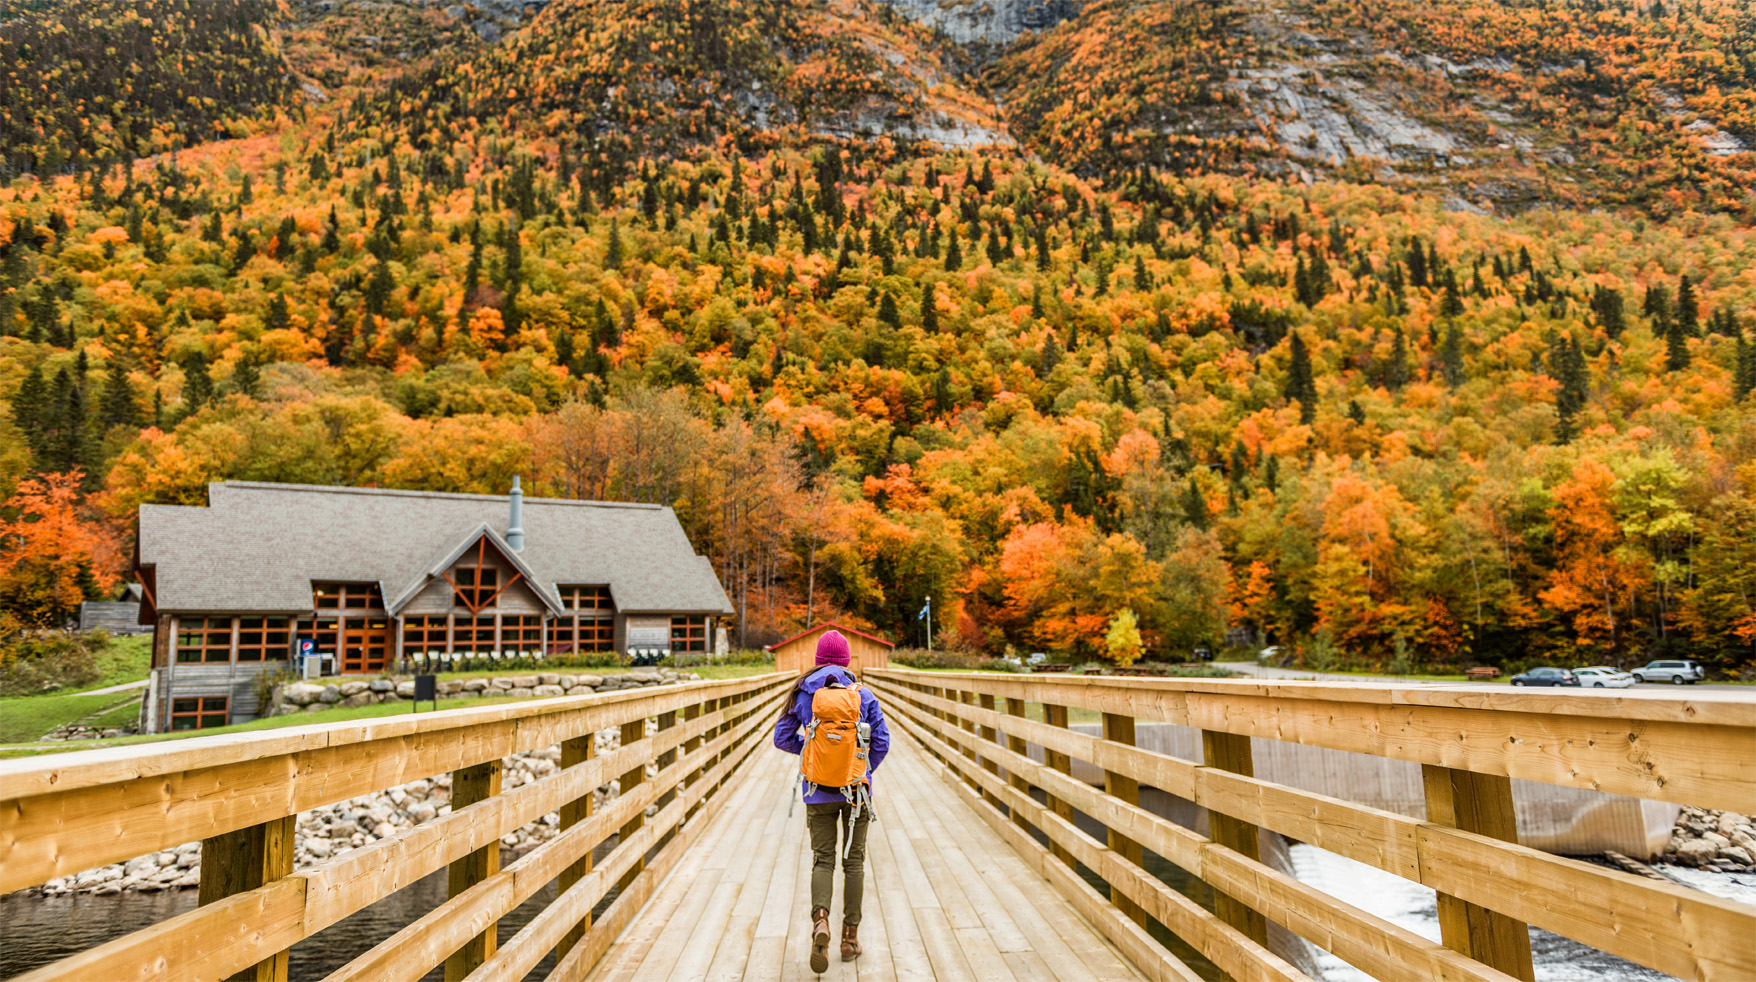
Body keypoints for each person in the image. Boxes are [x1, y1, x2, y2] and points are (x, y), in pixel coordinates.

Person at [773, 629, 891, 973]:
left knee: (822, 860)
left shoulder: (802, 692)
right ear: (846, 661)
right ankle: (850, 937)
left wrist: (811, 755)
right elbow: (881, 742)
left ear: (817, 660)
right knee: (853, 863)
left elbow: (782, 738)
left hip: (816, 790)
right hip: (856, 791)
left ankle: (820, 922)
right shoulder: (863, 695)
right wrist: (860, 769)